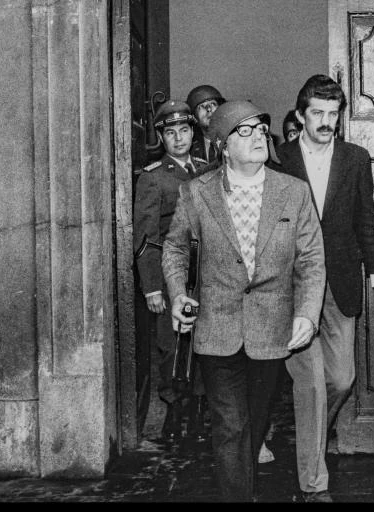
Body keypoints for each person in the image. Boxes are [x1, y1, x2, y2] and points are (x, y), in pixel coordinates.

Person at [163, 100, 326, 501]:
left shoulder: (293, 192)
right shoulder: (196, 192)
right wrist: (178, 293)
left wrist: (306, 313)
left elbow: (311, 259)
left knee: (253, 422)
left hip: (271, 328)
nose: (257, 136)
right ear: (221, 144)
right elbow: (174, 248)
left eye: (260, 128)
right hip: (217, 327)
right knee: (231, 424)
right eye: (244, 130)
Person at [274, 74, 374, 502]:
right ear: (300, 115)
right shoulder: (279, 159)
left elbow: (367, 222)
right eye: (319, 114)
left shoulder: (355, 158)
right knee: (309, 384)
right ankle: (314, 484)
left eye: (334, 114)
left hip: (341, 283)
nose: (328, 122)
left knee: (342, 379)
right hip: (293, 288)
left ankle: (307, 436)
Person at [133, 100, 210, 443]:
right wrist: (152, 288)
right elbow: (147, 237)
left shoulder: (208, 170)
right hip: (170, 274)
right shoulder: (153, 178)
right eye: (170, 133)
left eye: (184, 130)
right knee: (170, 345)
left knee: (204, 342)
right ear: (161, 138)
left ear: (193, 133)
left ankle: (197, 409)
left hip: (207, 273)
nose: (178, 138)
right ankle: (173, 410)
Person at [186, 84, 226, 166]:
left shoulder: (233, 140)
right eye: (201, 106)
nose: (209, 109)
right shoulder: (188, 147)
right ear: (194, 116)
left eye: (213, 104)